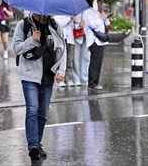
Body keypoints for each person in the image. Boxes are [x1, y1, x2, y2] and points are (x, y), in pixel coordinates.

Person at [12, 13, 66, 161]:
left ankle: (38, 143)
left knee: (42, 113)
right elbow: (16, 48)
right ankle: (33, 145)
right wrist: (31, 40)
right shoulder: (23, 25)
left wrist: (61, 70)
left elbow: (62, 49)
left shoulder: (55, 26)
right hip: (29, 76)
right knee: (32, 110)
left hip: (48, 76)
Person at [83, 0, 109, 92]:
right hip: (93, 41)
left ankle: (95, 82)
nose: (98, 3)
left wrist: (105, 17)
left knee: (98, 62)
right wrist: (101, 18)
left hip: (100, 41)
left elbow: (106, 24)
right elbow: (93, 24)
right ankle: (92, 84)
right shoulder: (87, 12)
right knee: (94, 62)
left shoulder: (97, 11)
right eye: (96, 1)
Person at [54, 15, 75, 87]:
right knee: (61, 60)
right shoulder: (57, 15)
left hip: (70, 39)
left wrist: (74, 21)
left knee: (70, 60)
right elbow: (59, 24)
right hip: (62, 39)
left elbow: (72, 26)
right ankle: (60, 79)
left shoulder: (70, 14)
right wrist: (69, 18)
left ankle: (68, 78)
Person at [72, 14, 90, 86]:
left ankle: (85, 78)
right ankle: (76, 78)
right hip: (75, 33)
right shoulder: (73, 6)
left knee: (86, 57)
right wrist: (78, 23)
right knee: (75, 57)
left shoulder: (89, 6)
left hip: (87, 34)